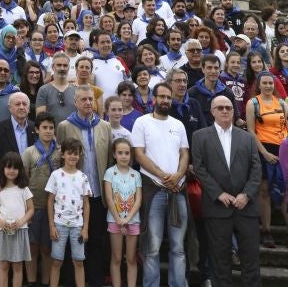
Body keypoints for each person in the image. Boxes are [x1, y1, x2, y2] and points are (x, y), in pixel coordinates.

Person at [192, 95, 262, 287]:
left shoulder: (247, 138)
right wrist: (218, 193)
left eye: (228, 108)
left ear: (233, 110)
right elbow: (199, 168)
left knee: (251, 260)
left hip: (246, 208)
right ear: (212, 111)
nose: (225, 111)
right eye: (220, 108)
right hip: (217, 208)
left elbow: (256, 169)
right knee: (219, 262)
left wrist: (246, 195)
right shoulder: (200, 136)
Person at [132, 82, 189, 287]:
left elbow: (184, 154)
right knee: (152, 247)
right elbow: (138, 154)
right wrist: (165, 176)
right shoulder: (141, 122)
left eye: (168, 97)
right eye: (162, 97)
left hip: (178, 191)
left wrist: (178, 175)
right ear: (153, 99)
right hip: (154, 189)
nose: (165, 100)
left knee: (179, 247)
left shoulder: (178, 124)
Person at [56, 85, 112, 287]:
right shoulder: (64, 126)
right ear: (75, 102)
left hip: (97, 195)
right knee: (73, 243)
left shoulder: (104, 126)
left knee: (97, 241)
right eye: (84, 100)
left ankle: (95, 281)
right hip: (72, 197)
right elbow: (59, 159)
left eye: (91, 99)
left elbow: (110, 162)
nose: (89, 103)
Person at [245, 70, 288, 248]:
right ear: (259, 85)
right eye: (265, 83)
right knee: (264, 191)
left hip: (283, 148)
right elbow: (250, 132)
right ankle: (267, 231)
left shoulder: (282, 104)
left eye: (271, 83)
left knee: (286, 192)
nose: (269, 86)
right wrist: (264, 153)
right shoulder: (253, 103)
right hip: (263, 149)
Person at [46, 137, 91, 287]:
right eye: (69, 153)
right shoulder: (55, 175)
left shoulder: (83, 177)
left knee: (78, 261)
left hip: (77, 226)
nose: (73, 156)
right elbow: (50, 201)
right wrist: (52, 226)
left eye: (76, 153)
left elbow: (86, 204)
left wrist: (85, 228)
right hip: (59, 225)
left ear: (79, 156)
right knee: (57, 261)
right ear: (63, 154)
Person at [23, 112, 59, 287]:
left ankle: (46, 282)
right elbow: (22, 180)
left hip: (54, 209)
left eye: (51, 128)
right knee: (33, 246)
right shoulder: (29, 152)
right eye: (44, 128)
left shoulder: (60, 152)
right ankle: (31, 281)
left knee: (47, 248)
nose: (48, 131)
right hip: (33, 206)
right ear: (36, 130)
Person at [0, 151, 34, 287]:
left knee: (17, 266)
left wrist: (22, 221)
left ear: (20, 170)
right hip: (2, 231)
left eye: (15, 167)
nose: (11, 171)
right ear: (3, 168)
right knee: (3, 265)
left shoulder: (24, 189)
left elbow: (31, 209)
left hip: (19, 231)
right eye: (8, 167)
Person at [104, 137, 142, 287]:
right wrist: (119, 219)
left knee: (131, 258)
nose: (124, 156)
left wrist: (128, 219)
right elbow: (109, 198)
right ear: (114, 154)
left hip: (133, 220)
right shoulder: (109, 173)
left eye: (127, 153)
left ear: (131, 155)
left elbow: (138, 200)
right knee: (117, 257)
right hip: (115, 221)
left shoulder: (136, 175)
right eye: (120, 153)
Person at [0, 92, 37, 188]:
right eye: (18, 104)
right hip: (4, 186)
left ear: (29, 108)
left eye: (24, 104)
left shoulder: (36, 128)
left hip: (31, 186)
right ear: (10, 108)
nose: (22, 107)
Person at [35, 53, 76, 125]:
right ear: (53, 67)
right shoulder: (44, 90)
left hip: (73, 134)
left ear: (69, 67)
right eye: (59, 65)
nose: (62, 68)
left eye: (65, 65)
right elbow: (40, 119)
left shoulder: (76, 90)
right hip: (51, 134)